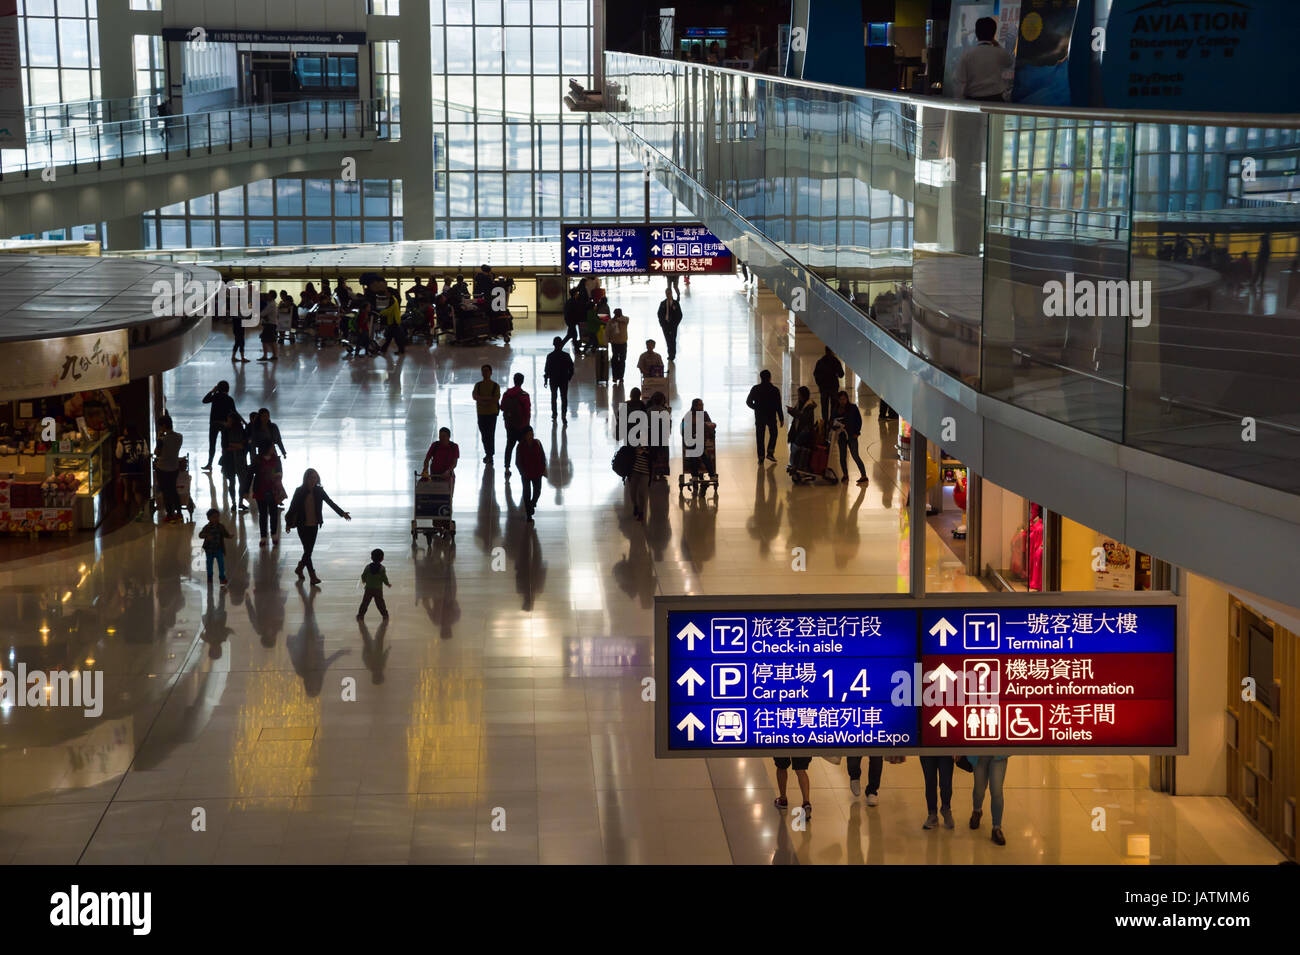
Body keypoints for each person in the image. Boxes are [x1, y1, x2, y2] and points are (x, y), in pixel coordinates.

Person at [284, 468, 351, 587]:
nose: (313, 480)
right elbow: (293, 507)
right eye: (311, 478)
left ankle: (300, 568)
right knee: (308, 551)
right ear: (306, 479)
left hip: (314, 524)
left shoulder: (319, 491)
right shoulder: (299, 491)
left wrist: (342, 513)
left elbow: (330, 502)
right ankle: (312, 576)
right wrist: (288, 523)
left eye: (315, 478)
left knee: (308, 551)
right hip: (302, 525)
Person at [951, 16, 1013, 102]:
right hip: (996, 100)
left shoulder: (967, 55)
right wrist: (996, 43)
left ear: (976, 33)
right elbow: (1009, 62)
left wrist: (960, 102)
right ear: (993, 34)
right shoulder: (999, 53)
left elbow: (960, 82)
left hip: (972, 101)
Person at [830, 390, 870, 485]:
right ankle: (845, 475)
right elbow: (832, 421)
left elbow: (858, 421)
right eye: (840, 399)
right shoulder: (836, 409)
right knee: (842, 457)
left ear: (847, 399)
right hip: (842, 436)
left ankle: (864, 475)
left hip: (852, 435)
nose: (842, 401)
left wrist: (857, 432)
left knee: (855, 455)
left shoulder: (853, 408)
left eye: (844, 399)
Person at [746, 369, 784, 464]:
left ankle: (761, 457)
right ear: (770, 378)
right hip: (771, 416)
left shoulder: (756, 389)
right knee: (774, 434)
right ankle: (770, 452)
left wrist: (756, 408)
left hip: (760, 416)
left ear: (761, 378)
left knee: (760, 436)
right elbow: (778, 405)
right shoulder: (774, 390)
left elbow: (748, 402)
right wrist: (781, 418)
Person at [969, 755, 1009, 845]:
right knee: (979, 789)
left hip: (999, 755)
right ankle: (977, 811)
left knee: (996, 791)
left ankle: (996, 828)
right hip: (979, 754)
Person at [500, 373, 531, 477]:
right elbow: (527, 412)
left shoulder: (507, 393)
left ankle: (507, 468)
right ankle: (525, 466)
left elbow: (502, 407)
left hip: (509, 425)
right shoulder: (524, 395)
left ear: (514, 380)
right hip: (522, 426)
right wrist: (527, 426)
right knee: (524, 447)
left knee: (509, 446)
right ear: (522, 381)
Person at [201, 380, 237, 471]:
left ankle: (209, 464)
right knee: (224, 444)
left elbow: (204, 400)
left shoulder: (215, 397)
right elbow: (234, 413)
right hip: (225, 424)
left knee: (212, 445)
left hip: (214, 423)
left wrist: (212, 391)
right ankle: (224, 464)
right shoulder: (229, 399)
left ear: (218, 388)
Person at [154, 416, 184, 523]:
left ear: (164, 426)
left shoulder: (162, 440)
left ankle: (170, 514)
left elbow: (157, 453)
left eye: (160, 426)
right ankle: (179, 513)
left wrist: (159, 438)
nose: (159, 428)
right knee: (173, 490)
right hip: (174, 467)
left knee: (166, 492)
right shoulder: (180, 437)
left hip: (163, 469)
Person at [115, 424, 149, 519]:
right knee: (137, 490)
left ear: (127, 431)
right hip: (138, 469)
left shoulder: (121, 441)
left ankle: (127, 512)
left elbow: (118, 455)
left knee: (127, 490)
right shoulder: (142, 440)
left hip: (126, 469)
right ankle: (141, 510)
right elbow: (146, 454)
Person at [252, 446, 284, 544]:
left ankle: (274, 534)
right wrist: (244, 490)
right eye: (271, 447)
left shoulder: (276, 459)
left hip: (273, 491)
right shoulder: (257, 460)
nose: (273, 449)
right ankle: (263, 537)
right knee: (263, 514)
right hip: (260, 491)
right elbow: (250, 473)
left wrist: (277, 476)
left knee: (274, 513)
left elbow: (280, 472)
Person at [514, 426, 547, 522]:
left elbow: (542, 456)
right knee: (527, 493)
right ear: (524, 436)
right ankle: (529, 514)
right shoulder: (520, 446)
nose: (531, 436)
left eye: (532, 433)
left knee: (537, 491)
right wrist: (522, 472)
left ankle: (532, 504)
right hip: (526, 474)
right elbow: (518, 461)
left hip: (537, 472)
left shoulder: (537, 443)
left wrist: (542, 468)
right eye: (529, 434)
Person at [219, 411, 249, 508]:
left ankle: (236, 503)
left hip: (232, 459)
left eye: (230, 420)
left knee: (235, 482)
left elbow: (227, 446)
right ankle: (237, 503)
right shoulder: (230, 431)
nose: (228, 422)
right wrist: (238, 446)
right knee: (237, 482)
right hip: (236, 459)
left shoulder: (227, 431)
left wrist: (232, 445)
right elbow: (226, 446)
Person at [472, 365, 501, 464]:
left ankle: (490, 454)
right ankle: (488, 453)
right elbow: (474, 396)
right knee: (484, 435)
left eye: (487, 371)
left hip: (491, 414)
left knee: (490, 434)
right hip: (481, 414)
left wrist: (482, 399)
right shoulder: (478, 385)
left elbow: (496, 398)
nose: (485, 373)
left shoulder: (495, 385)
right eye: (483, 371)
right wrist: (488, 399)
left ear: (491, 372)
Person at [198, 508, 232, 587]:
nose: (216, 519)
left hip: (218, 549)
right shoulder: (207, 527)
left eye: (217, 517)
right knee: (209, 564)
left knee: (221, 564)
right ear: (209, 518)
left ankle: (222, 577)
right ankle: (210, 576)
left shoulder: (220, 526)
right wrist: (206, 536)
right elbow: (200, 535)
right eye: (214, 517)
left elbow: (224, 533)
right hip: (209, 550)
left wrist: (229, 536)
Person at [543, 336, 575, 420]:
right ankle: (563, 414)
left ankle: (554, 414)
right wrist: (568, 378)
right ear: (561, 344)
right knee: (564, 397)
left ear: (554, 345)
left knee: (554, 397)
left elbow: (547, 370)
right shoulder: (566, 355)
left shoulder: (550, 356)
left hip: (553, 379)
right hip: (563, 379)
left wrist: (546, 380)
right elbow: (571, 368)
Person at [920, 755, 955, 830]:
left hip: (946, 749)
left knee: (946, 782)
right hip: (926, 750)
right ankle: (932, 814)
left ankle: (946, 809)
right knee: (930, 782)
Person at [422, 427, 460, 497]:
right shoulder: (435, 445)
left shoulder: (454, 447)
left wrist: (448, 471)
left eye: (444, 436)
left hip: (448, 476)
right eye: (440, 436)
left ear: (449, 437)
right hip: (435, 475)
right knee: (435, 496)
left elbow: (454, 463)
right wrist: (425, 469)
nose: (441, 438)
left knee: (448, 497)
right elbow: (427, 459)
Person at [357, 548, 392, 620]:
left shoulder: (368, 567)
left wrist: (364, 580)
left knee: (365, 602)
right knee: (380, 603)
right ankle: (384, 614)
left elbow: (363, 575)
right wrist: (387, 584)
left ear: (371, 558)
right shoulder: (382, 569)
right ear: (382, 559)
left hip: (368, 589)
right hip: (378, 589)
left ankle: (360, 615)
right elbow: (384, 578)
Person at [813, 347, 844, 424]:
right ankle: (832, 421)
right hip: (833, 387)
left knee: (824, 406)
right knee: (834, 405)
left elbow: (815, 374)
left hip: (823, 388)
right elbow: (841, 374)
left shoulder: (820, 362)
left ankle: (825, 422)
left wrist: (819, 384)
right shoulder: (835, 361)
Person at [656, 290, 683, 362]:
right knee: (668, 340)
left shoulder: (676, 303)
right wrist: (662, 324)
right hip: (665, 325)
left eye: (669, 293)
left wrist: (676, 324)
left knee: (673, 340)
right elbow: (659, 314)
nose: (668, 295)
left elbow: (680, 315)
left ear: (671, 293)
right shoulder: (662, 303)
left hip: (673, 325)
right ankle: (670, 354)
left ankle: (672, 355)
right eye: (667, 293)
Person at [628, 443, 651, 522]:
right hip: (635, 471)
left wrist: (643, 453)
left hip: (646, 473)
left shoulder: (652, 443)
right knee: (632, 492)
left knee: (642, 493)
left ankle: (641, 513)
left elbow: (654, 456)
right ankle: (635, 505)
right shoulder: (635, 441)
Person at [607, 307, 630, 384]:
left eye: (618, 314)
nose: (617, 315)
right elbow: (608, 331)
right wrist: (607, 341)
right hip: (615, 343)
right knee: (615, 360)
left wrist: (617, 319)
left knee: (622, 360)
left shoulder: (625, 319)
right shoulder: (611, 322)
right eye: (616, 314)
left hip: (623, 343)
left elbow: (625, 319)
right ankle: (615, 376)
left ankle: (621, 377)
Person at [562, 286, 585, 353]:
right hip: (571, 321)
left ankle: (561, 346)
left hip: (570, 321)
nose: (578, 294)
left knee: (570, 335)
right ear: (575, 294)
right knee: (574, 335)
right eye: (577, 293)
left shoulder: (570, 301)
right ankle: (577, 350)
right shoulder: (573, 302)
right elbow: (575, 312)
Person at [257, 292, 279, 361]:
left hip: (270, 324)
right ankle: (271, 355)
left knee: (268, 340)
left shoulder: (271, 305)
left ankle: (269, 356)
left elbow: (263, 313)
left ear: (272, 297)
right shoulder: (270, 303)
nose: (267, 297)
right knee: (269, 340)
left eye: (269, 295)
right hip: (270, 324)